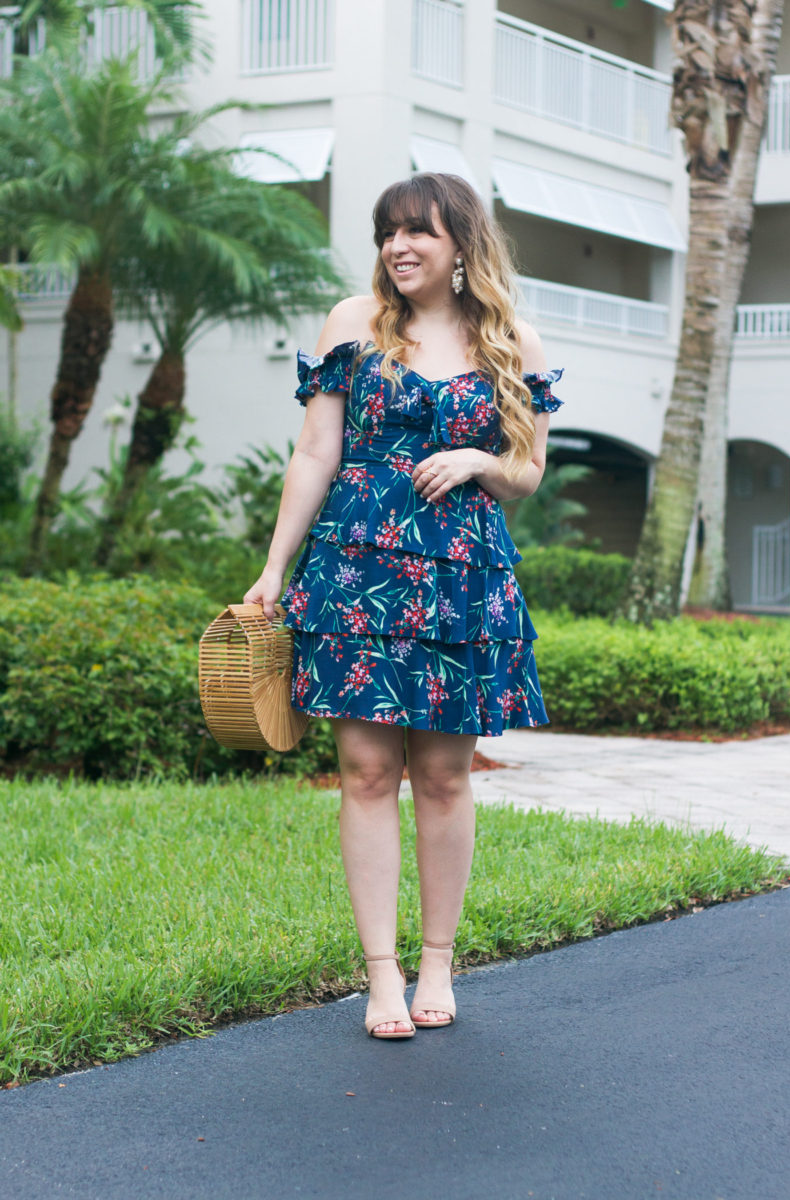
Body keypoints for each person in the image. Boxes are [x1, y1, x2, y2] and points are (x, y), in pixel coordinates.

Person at [244, 172, 562, 1039]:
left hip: (461, 576)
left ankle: (437, 965)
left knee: (445, 776)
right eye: (388, 232)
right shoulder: (354, 324)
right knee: (368, 773)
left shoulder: (511, 342)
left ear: (461, 243)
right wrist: (276, 568)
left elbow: (528, 472)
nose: (399, 246)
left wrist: (478, 463)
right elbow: (316, 451)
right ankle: (381, 977)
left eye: (418, 231)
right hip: (354, 574)